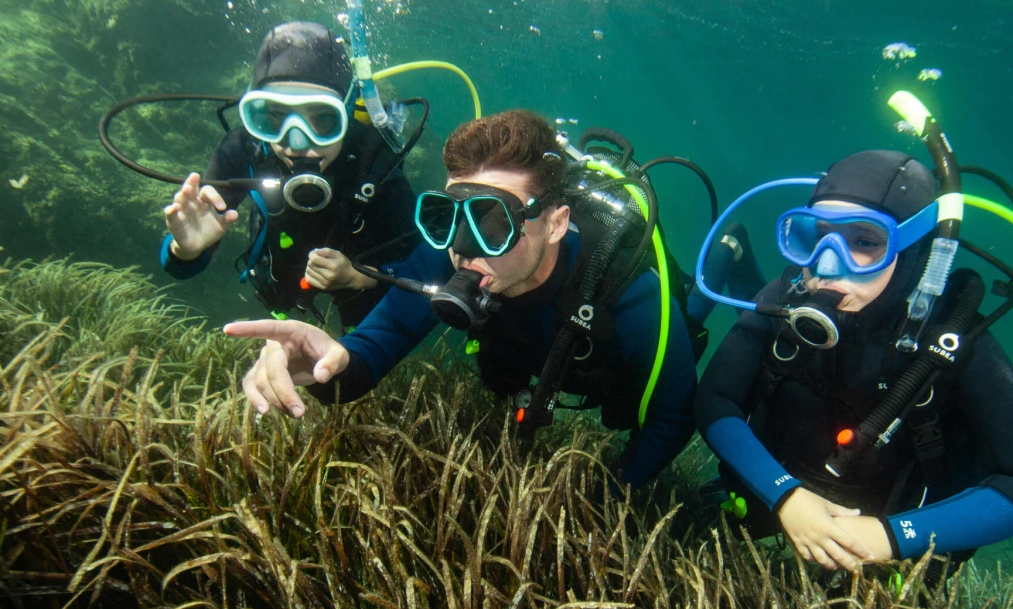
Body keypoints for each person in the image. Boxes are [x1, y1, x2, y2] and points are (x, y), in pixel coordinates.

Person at [225, 109, 762, 487]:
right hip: (546, 358)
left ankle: (727, 250)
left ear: (556, 223)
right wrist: (326, 366)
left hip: (616, 351)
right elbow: (376, 343)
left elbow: (673, 417)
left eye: (493, 220)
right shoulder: (452, 253)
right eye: (449, 214)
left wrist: (610, 497)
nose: (462, 248)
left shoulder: (630, 292)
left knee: (690, 317)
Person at [695, 150, 1013, 573]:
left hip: (891, 523)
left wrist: (889, 538)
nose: (827, 265)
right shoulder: (784, 296)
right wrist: (785, 495)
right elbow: (715, 400)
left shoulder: (951, 338)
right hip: (776, 489)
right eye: (818, 236)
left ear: (915, 252)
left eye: (865, 242)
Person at [160, 21, 419, 327]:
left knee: (364, 324)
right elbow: (180, 268)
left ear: (347, 114)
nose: (297, 143)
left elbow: (420, 266)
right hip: (281, 267)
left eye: (323, 119)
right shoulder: (245, 147)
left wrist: (361, 277)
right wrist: (184, 250)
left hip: (359, 270)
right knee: (276, 300)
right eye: (276, 117)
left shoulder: (374, 158)